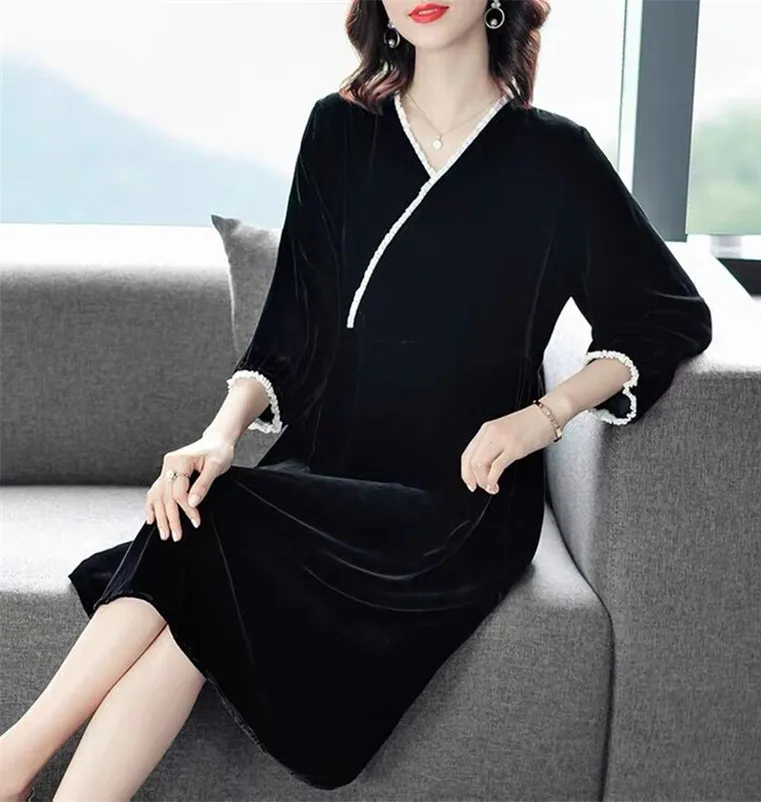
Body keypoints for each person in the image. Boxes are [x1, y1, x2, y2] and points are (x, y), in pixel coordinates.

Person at [0, 0, 714, 798]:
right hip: (332, 460)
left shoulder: (557, 158)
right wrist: (220, 434)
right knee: (200, 549)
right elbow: (291, 328)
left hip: (459, 497)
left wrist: (543, 417)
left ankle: (9, 762)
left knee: (211, 530)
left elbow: (667, 315)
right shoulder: (339, 131)